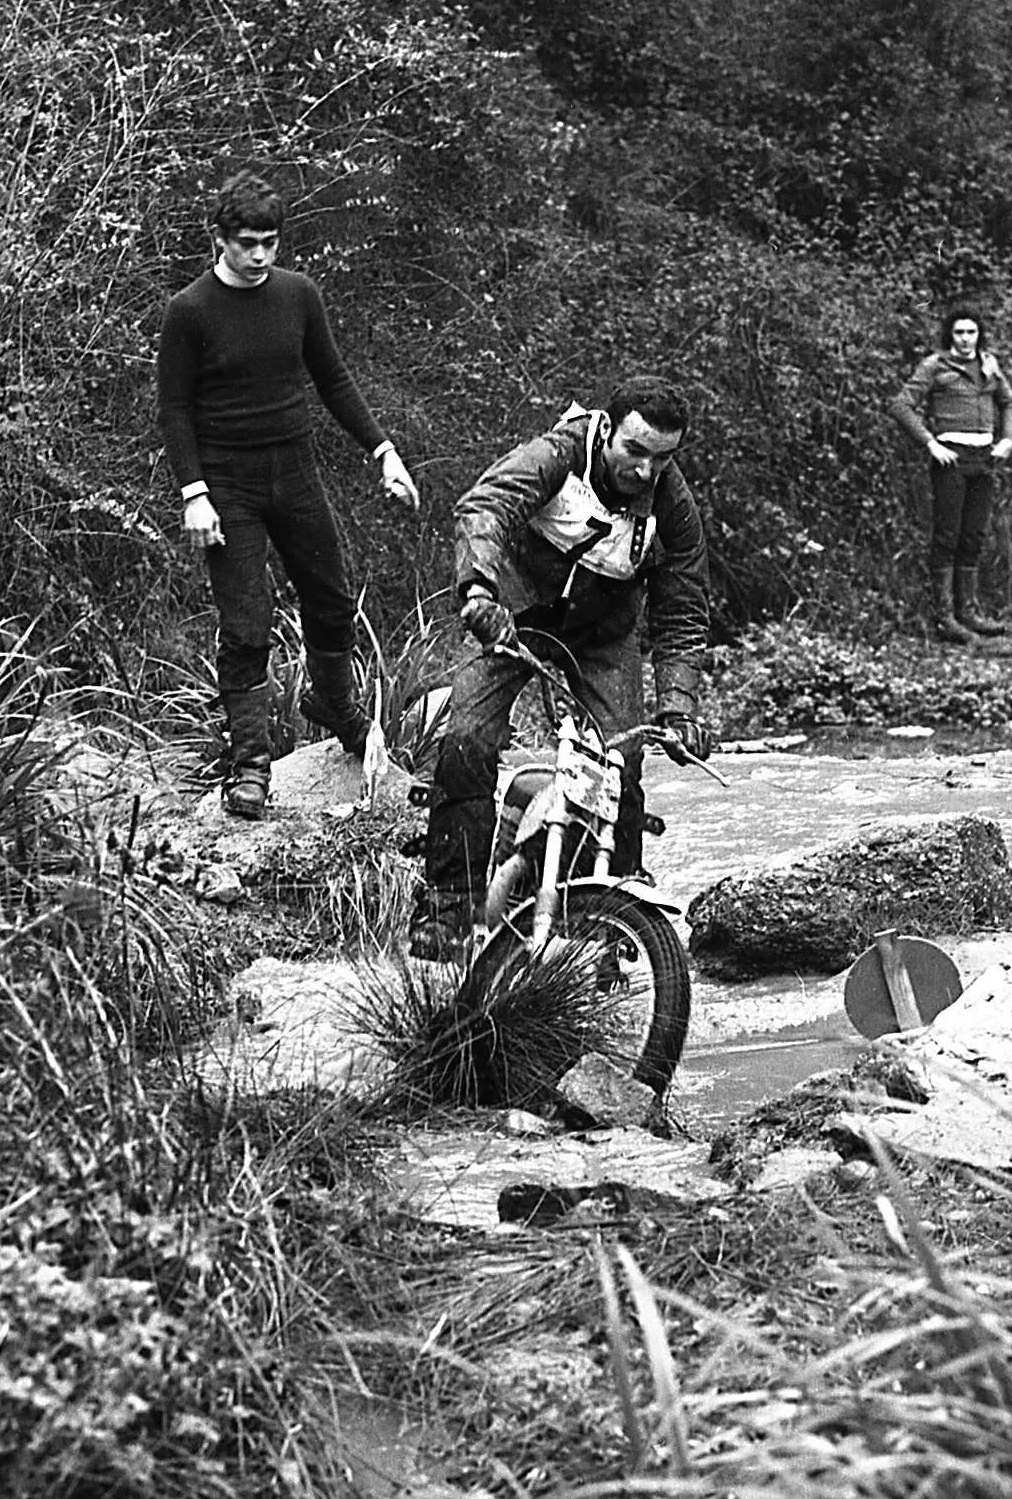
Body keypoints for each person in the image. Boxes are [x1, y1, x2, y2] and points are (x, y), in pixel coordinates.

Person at [408, 374, 713, 961]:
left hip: (602, 633)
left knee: (620, 764)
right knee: (468, 738)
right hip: (515, 613)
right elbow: (486, 505)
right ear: (608, 430)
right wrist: (478, 591)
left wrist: (678, 706)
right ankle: (449, 907)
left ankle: (614, 916)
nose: (645, 470)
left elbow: (682, 608)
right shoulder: (558, 453)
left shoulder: (673, 507)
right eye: (635, 450)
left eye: (662, 458)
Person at [157, 168, 420, 818]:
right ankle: (250, 765)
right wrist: (194, 493)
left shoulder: (297, 295)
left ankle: (331, 702)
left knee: (331, 600)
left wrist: (384, 452)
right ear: (219, 239)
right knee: (246, 622)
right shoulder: (190, 311)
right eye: (246, 243)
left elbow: (333, 379)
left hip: (294, 472)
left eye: (269, 243)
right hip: (227, 484)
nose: (259, 256)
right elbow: (175, 409)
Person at [890, 302, 1012, 644]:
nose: (965, 338)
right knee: (947, 535)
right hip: (951, 460)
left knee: (973, 534)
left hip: (984, 460)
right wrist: (930, 443)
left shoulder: (989, 365)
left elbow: (1009, 403)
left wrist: (1007, 441)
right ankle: (945, 618)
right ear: (950, 335)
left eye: (971, 332)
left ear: (979, 334)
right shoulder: (935, 365)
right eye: (959, 332)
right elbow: (901, 405)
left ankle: (968, 613)